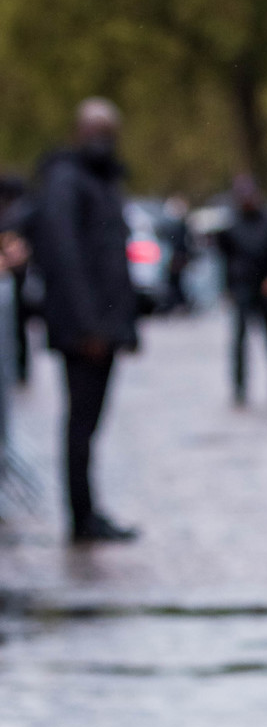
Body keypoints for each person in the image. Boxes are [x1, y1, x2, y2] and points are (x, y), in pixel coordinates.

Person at [29, 98, 139, 543]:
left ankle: (88, 511)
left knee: (90, 424)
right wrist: (88, 325)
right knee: (80, 423)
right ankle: (81, 517)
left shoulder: (100, 182)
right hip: (84, 330)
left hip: (104, 327)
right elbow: (66, 258)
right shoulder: (67, 181)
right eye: (96, 129)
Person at [217, 176, 267, 403]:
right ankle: (239, 386)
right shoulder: (232, 226)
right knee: (239, 339)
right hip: (242, 287)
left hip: (265, 286)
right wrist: (227, 287)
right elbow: (227, 260)